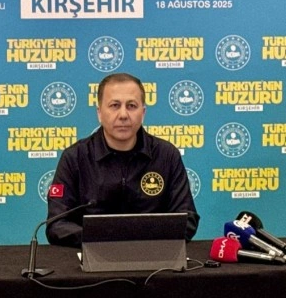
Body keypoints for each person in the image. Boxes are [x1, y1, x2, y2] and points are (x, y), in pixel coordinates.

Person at [46, 73, 200, 247]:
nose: (123, 114)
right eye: (115, 105)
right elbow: (56, 224)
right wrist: (103, 240)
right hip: (91, 256)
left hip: (153, 256)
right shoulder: (75, 157)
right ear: (99, 113)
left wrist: (140, 240)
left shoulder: (166, 155)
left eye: (131, 106)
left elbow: (187, 219)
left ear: (143, 112)